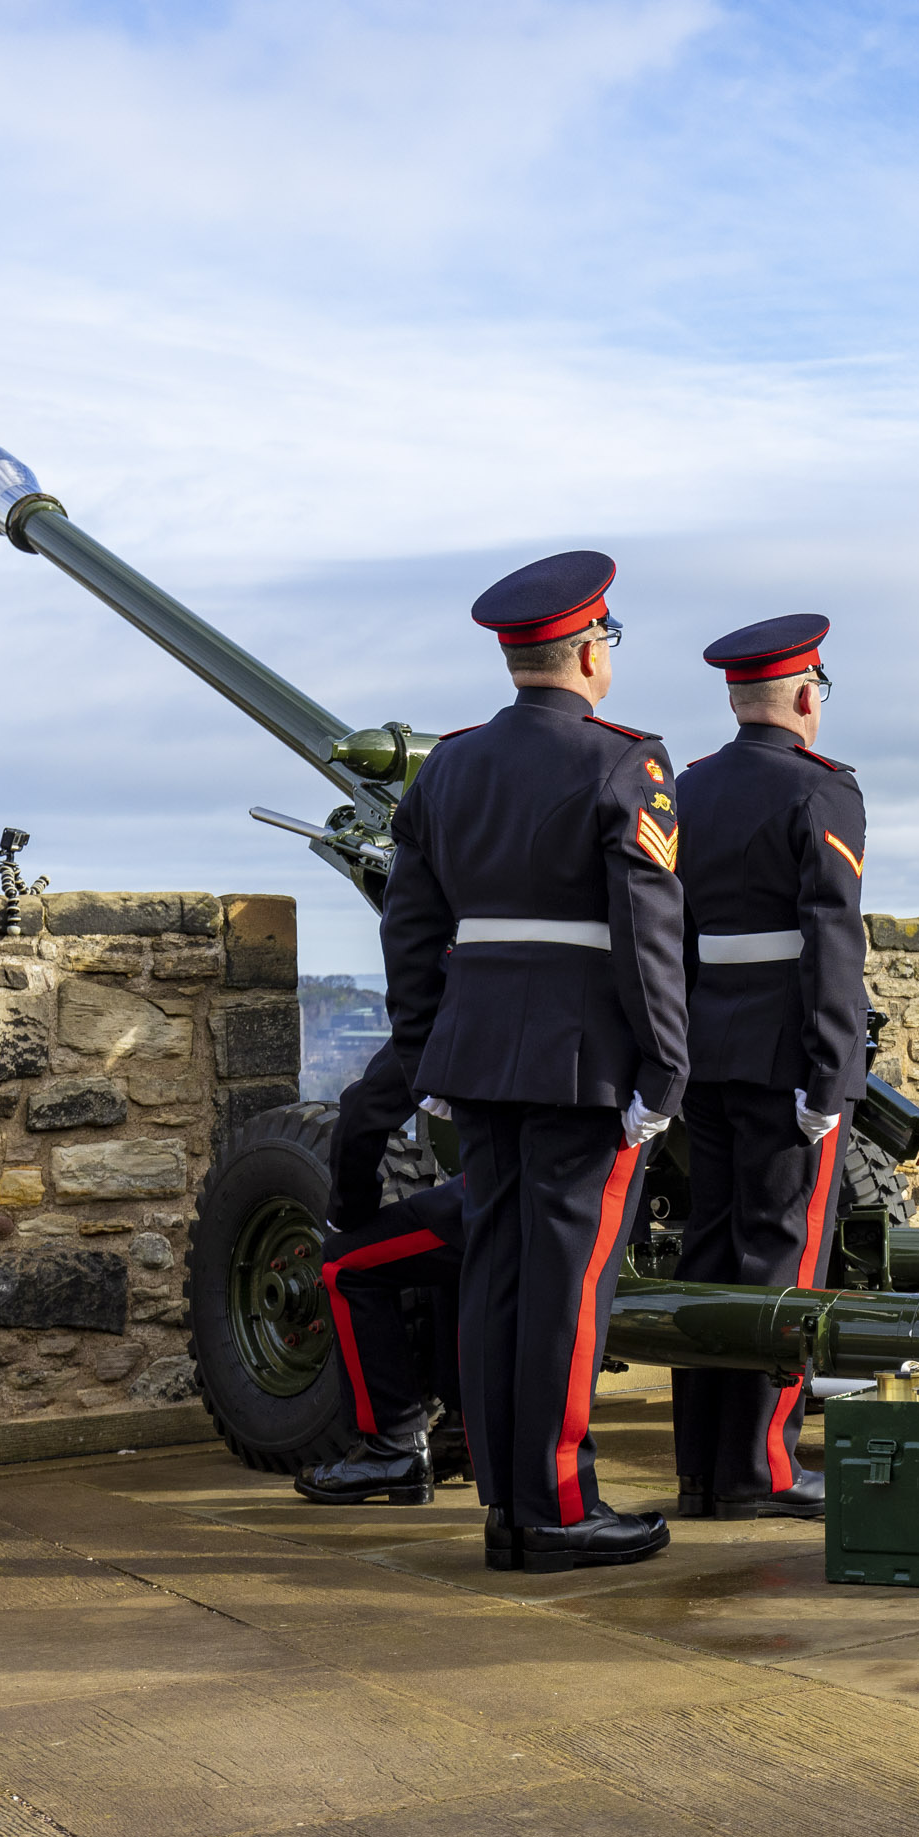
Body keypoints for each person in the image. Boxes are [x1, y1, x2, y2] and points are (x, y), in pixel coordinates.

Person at [378, 549, 689, 1575]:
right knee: (567, 1288)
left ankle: (510, 1508)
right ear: (591, 652)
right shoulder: (624, 761)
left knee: (497, 1280)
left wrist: (424, 1047)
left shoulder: (450, 766)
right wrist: (665, 1069)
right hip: (582, 1063)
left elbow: (412, 929)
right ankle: (555, 1509)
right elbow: (648, 932)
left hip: (479, 1056)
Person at [667, 613, 869, 1522]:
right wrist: (833, 1070)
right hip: (788, 1056)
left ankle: (705, 1468)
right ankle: (764, 1468)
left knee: (709, 1253)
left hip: (704, 1049)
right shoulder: (822, 790)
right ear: (802, 697)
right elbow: (832, 939)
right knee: (780, 1259)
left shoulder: (689, 787)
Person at [294, 1040, 466, 1505]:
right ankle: (468, 1426)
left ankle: (392, 1446)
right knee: (452, 1253)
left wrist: (346, 1213)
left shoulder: (474, 983)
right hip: (591, 1187)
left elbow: (366, 1109)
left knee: (345, 1262)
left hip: (501, 1191)